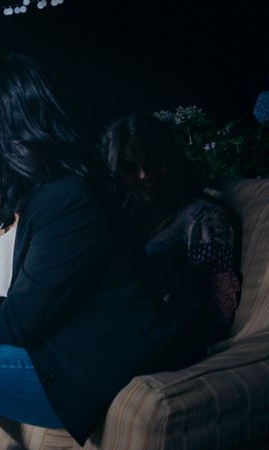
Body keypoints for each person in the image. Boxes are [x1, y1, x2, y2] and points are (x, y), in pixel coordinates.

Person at [0, 51, 205, 448]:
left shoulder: (69, 198)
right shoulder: (11, 199)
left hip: (90, 361)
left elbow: (21, 320)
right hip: (49, 340)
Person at [104, 113, 241, 344]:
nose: (144, 175)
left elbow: (220, 310)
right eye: (129, 167)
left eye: (151, 162)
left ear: (168, 159)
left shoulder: (201, 218)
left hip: (162, 340)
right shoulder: (124, 218)